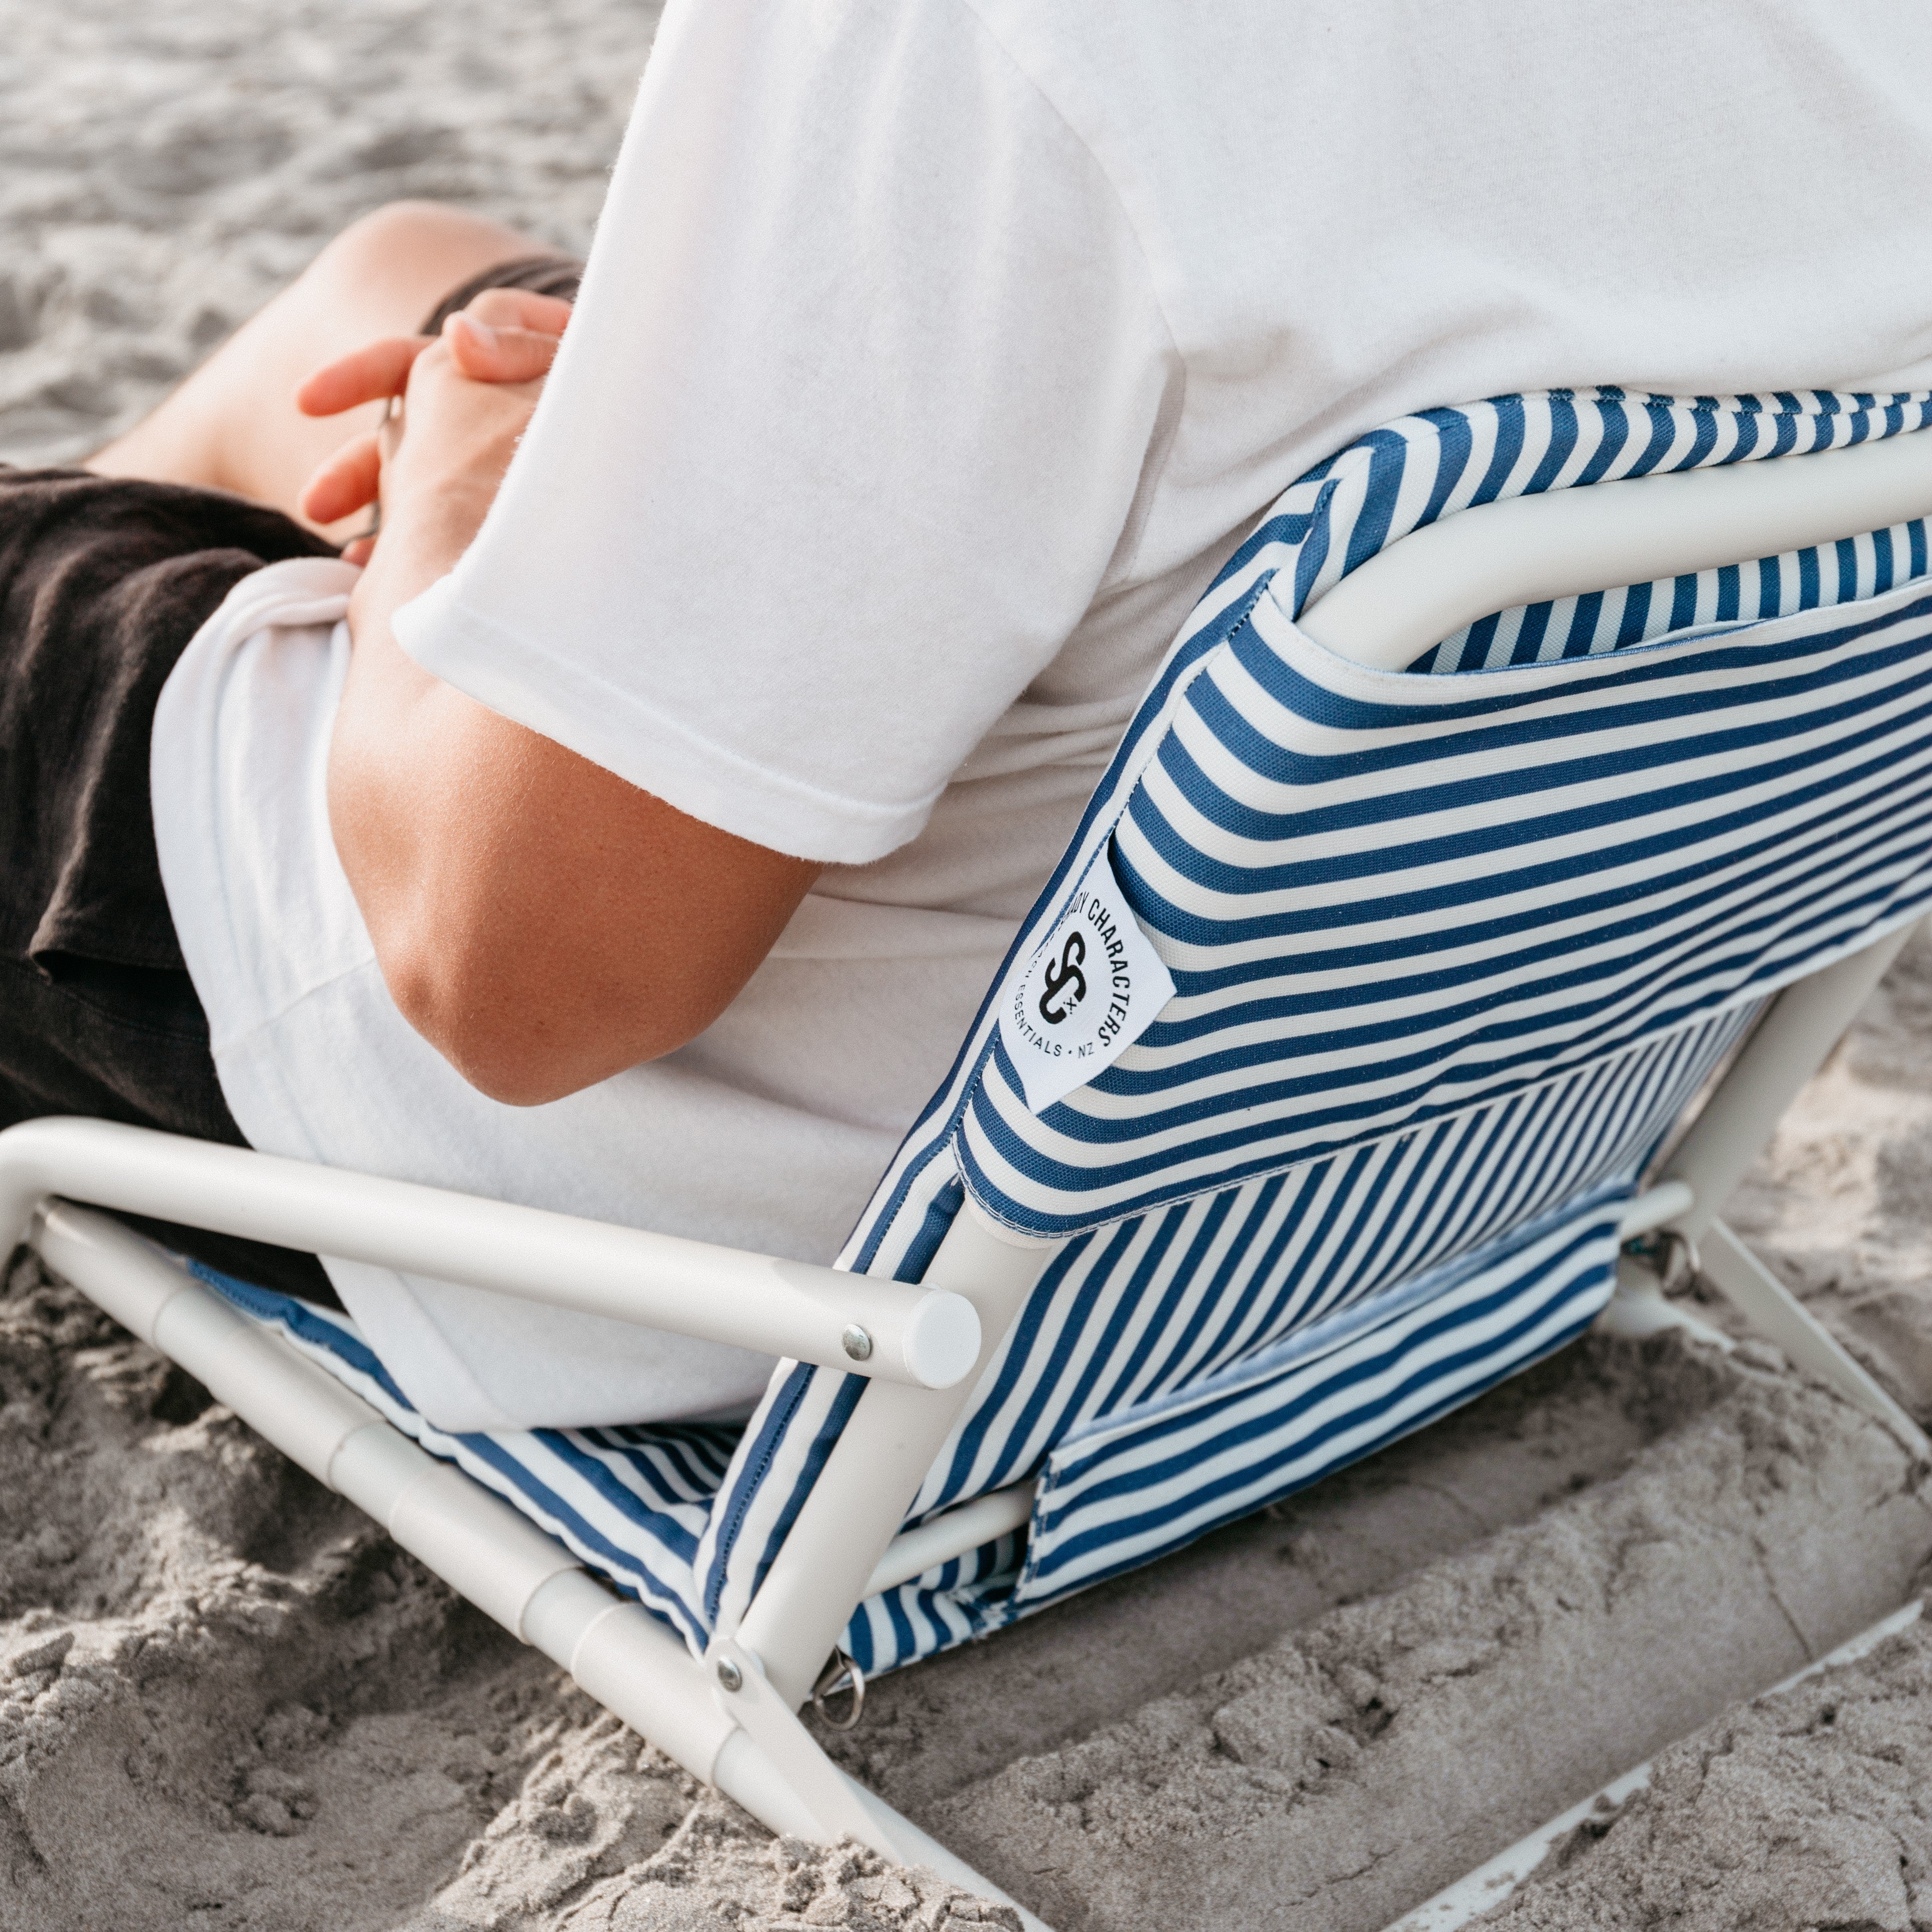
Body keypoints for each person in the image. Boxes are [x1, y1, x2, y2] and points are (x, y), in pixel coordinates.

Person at [5, 0, 1930, 1432]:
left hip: (802, 1220)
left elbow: (520, 981)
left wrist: (454, 492)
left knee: (323, 434)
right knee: (413, 277)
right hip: (1421, 1158)